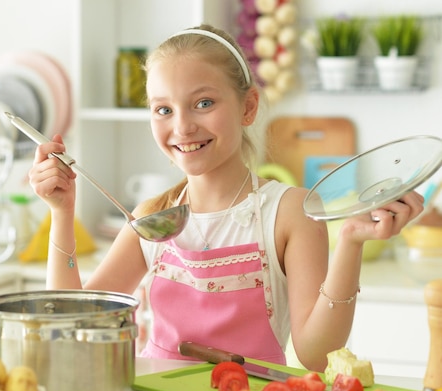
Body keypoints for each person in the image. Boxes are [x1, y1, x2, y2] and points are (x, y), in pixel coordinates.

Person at [27, 24, 424, 372]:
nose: (182, 126)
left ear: (248, 107)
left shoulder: (289, 213)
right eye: (163, 109)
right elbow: (73, 322)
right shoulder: (152, 217)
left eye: (204, 103)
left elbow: (317, 357)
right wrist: (62, 213)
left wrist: (351, 241)